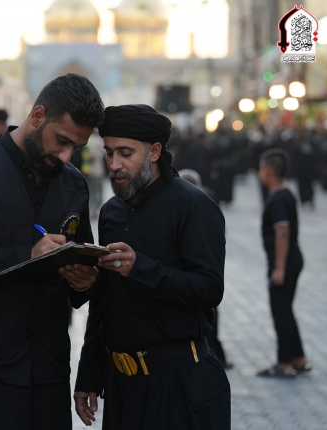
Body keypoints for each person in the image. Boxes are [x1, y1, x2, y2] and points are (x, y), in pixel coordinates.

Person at [0, 73, 105, 430]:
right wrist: (26, 256)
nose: (66, 156)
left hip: (47, 373)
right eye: (62, 141)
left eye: (76, 147)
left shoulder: (73, 184)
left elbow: (79, 267)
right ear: (38, 116)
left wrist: (84, 281)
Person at [74, 105, 230, 430]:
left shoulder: (193, 206)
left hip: (180, 387)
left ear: (155, 151)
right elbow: (105, 301)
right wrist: (89, 374)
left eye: (126, 153)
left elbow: (209, 289)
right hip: (123, 389)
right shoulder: (111, 212)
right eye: (109, 153)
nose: (114, 164)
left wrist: (141, 269)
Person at [256, 149, 309, 377]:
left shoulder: (278, 198)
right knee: (286, 309)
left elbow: (282, 232)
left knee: (281, 312)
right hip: (291, 259)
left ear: (268, 171)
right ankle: (299, 358)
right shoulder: (285, 193)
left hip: (284, 262)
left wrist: (278, 268)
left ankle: (285, 363)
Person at [178, 168, 232, 369]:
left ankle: (215, 355)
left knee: (209, 314)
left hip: (202, 275)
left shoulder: (206, 204)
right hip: (191, 276)